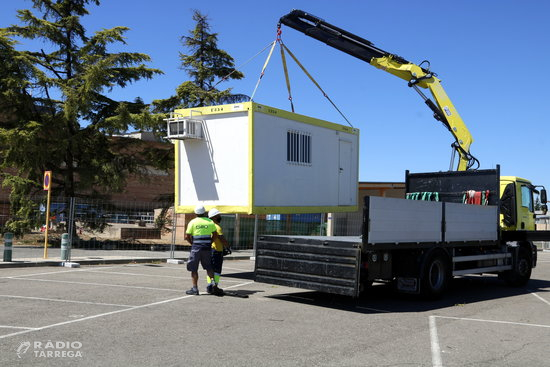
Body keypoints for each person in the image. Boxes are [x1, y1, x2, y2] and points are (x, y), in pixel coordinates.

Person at [184, 205, 222, 296]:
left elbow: (187, 236)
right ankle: (213, 284)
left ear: (196, 213)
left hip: (196, 248)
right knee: (209, 267)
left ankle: (195, 289)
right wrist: (210, 242)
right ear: (204, 212)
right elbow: (215, 235)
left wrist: (192, 244)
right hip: (207, 248)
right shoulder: (210, 222)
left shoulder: (192, 222)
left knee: (194, 268)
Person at [206, 208, 231, 295]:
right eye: (218, 215)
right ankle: (215, 287)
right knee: (217, 270)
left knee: (210, 269)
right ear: (214, 217)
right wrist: (228, 246)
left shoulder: (208, 225)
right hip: (216, 251)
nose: (220, 217)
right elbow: (221, 238)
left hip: (210, 250)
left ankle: (210, 286)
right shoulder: (217, 227)